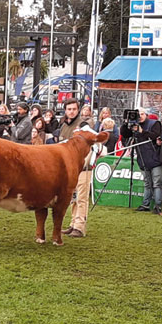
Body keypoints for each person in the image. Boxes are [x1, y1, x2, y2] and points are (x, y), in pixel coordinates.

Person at [59, 99, 93, 237]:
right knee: (73, 197)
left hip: (83, 166)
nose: (71, 111)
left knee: (82, 197)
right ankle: (73, 223)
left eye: (74, 109)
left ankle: (79, 226)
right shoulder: (64, 125)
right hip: (69, 168)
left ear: (78, 110)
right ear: (65, 111)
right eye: (69, 109)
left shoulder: (84, 125)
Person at [119, 107, 162, 213]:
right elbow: (125, 134)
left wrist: (141, 131)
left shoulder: (154, 123)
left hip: (155, 158)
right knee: (147, 183)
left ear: (146, 115)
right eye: (138, 114)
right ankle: (145, 204)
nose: (140, 116)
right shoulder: (133, 126)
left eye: (142, 114)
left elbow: (154, 136)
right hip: (142, 158)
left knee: (157, 183)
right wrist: (126, 123)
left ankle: (158, 205)